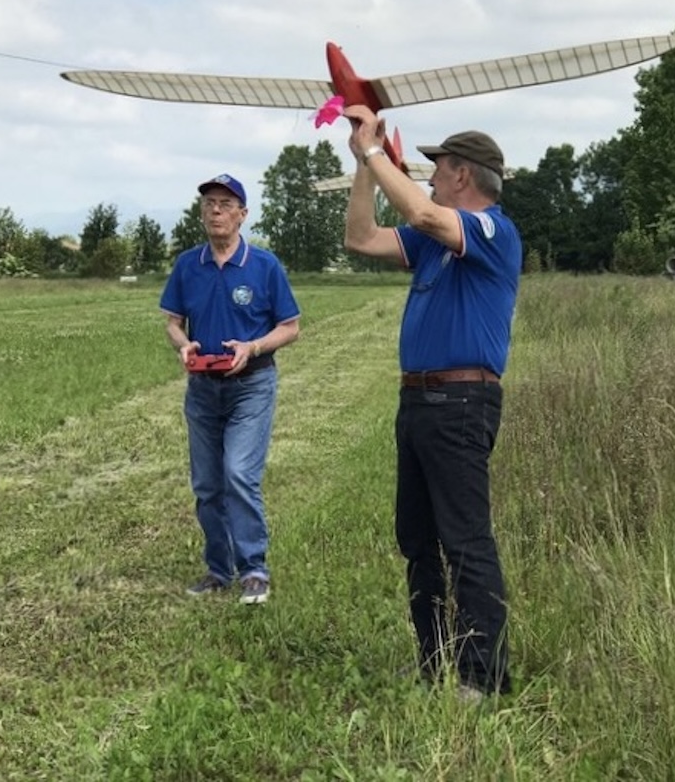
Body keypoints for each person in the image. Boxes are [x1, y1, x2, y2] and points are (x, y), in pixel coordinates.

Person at [343, 105, 520, 696]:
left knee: (465, 539)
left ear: (463, 175)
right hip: (418, 405)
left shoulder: (492, 230)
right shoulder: (434, 245)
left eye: (437, 167)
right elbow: (361, 237)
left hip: (461, 403)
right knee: (418, 540)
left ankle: (483, 676)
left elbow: (419, 209)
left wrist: (376, 152)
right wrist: (363, 164)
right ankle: (434, 660)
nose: (430, 177)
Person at [160, 173, 301, 605]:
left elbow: (290, 328)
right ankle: (219, 570)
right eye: (208, 204)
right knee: (207, 484)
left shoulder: (264, 266)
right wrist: (185, 348)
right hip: (203, 388)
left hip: (251, 384)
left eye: (225, 203)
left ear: (243, 214)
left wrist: (253, 346)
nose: (215, 210)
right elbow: (172, 322)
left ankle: (254, 569)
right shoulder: (188, 265)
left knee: (239, 473)